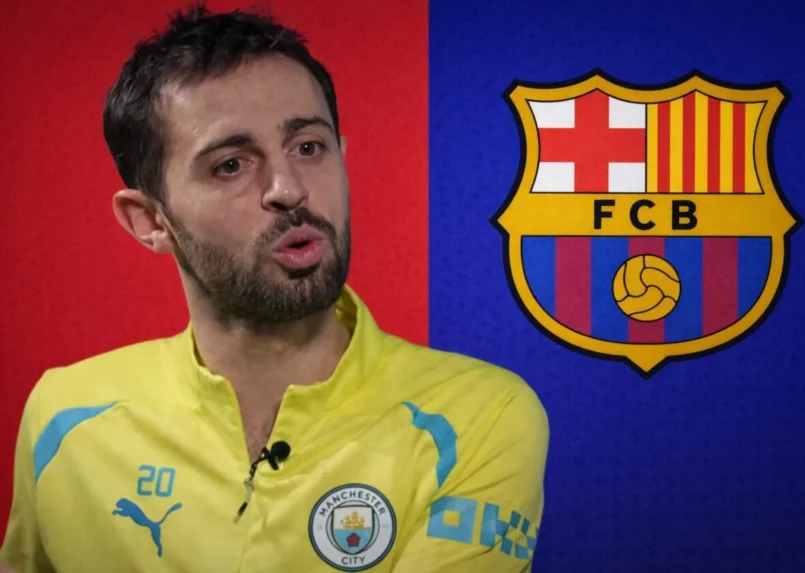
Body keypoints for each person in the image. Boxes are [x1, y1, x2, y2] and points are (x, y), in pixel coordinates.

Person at [0, 5, 549, 572]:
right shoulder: (64, 413)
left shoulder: (481, 415)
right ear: (150, 221)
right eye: (231, 165)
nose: (288, 188)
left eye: (308, 147)